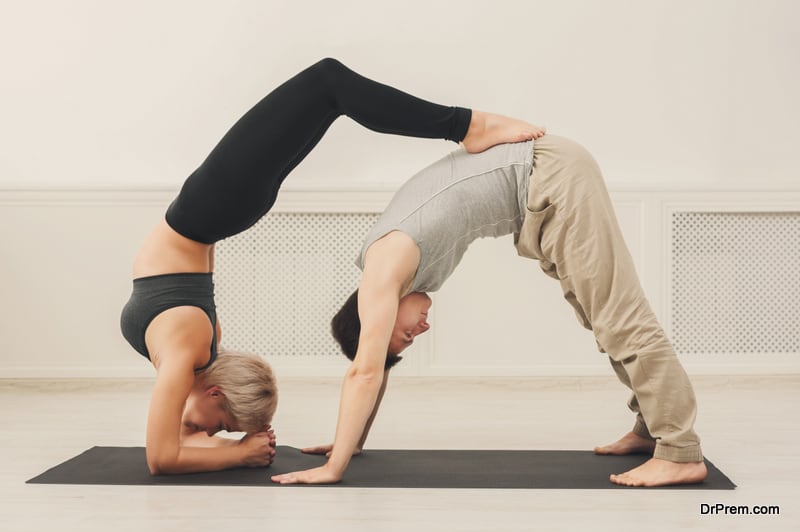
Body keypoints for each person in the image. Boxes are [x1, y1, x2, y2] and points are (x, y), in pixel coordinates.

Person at [120, 57, 541, 475]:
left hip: (216, 207)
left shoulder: (185, 354)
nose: (212, 435)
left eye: (221, 428)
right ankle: (467, 126)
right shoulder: (195, 355)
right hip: (215, 210)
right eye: (222, 432)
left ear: (216, 393)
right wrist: (226, 444)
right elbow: (176, 442)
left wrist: (239, 453)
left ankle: (469, 127)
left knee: (328, 82)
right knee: (327, 88)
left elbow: (161, 458)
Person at [271, 134, 707, 488]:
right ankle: (651, 428)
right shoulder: (398, 277)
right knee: (603, 319)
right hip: (544, 183)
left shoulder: (384, 269)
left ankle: (680, 452)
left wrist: (335, 469)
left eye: (405, 336)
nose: (419, 331)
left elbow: (364, 372)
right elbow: (376, 365)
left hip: (550, 176)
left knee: (621, 318)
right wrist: (352, 443)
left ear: (374, 317)